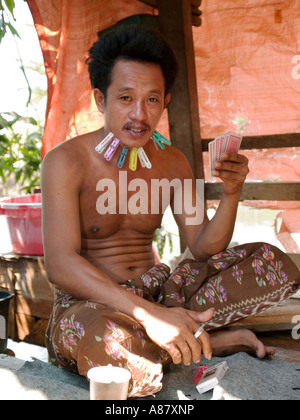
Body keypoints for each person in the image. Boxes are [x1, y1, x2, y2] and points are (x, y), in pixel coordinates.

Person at [42, 26, 300, 398]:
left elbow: (200, 246)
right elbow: (61, 265)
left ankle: (181, 334)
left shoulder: (174, 161)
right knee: (110, 349)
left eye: (151, 100)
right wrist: (151, 318)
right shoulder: (65, 161)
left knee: (269, 262)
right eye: (126, 98)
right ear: (101, 99)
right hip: (91, 309)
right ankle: (208, 339)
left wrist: (231, 193)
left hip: (163, 293)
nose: (139, 114)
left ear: (165, 101)